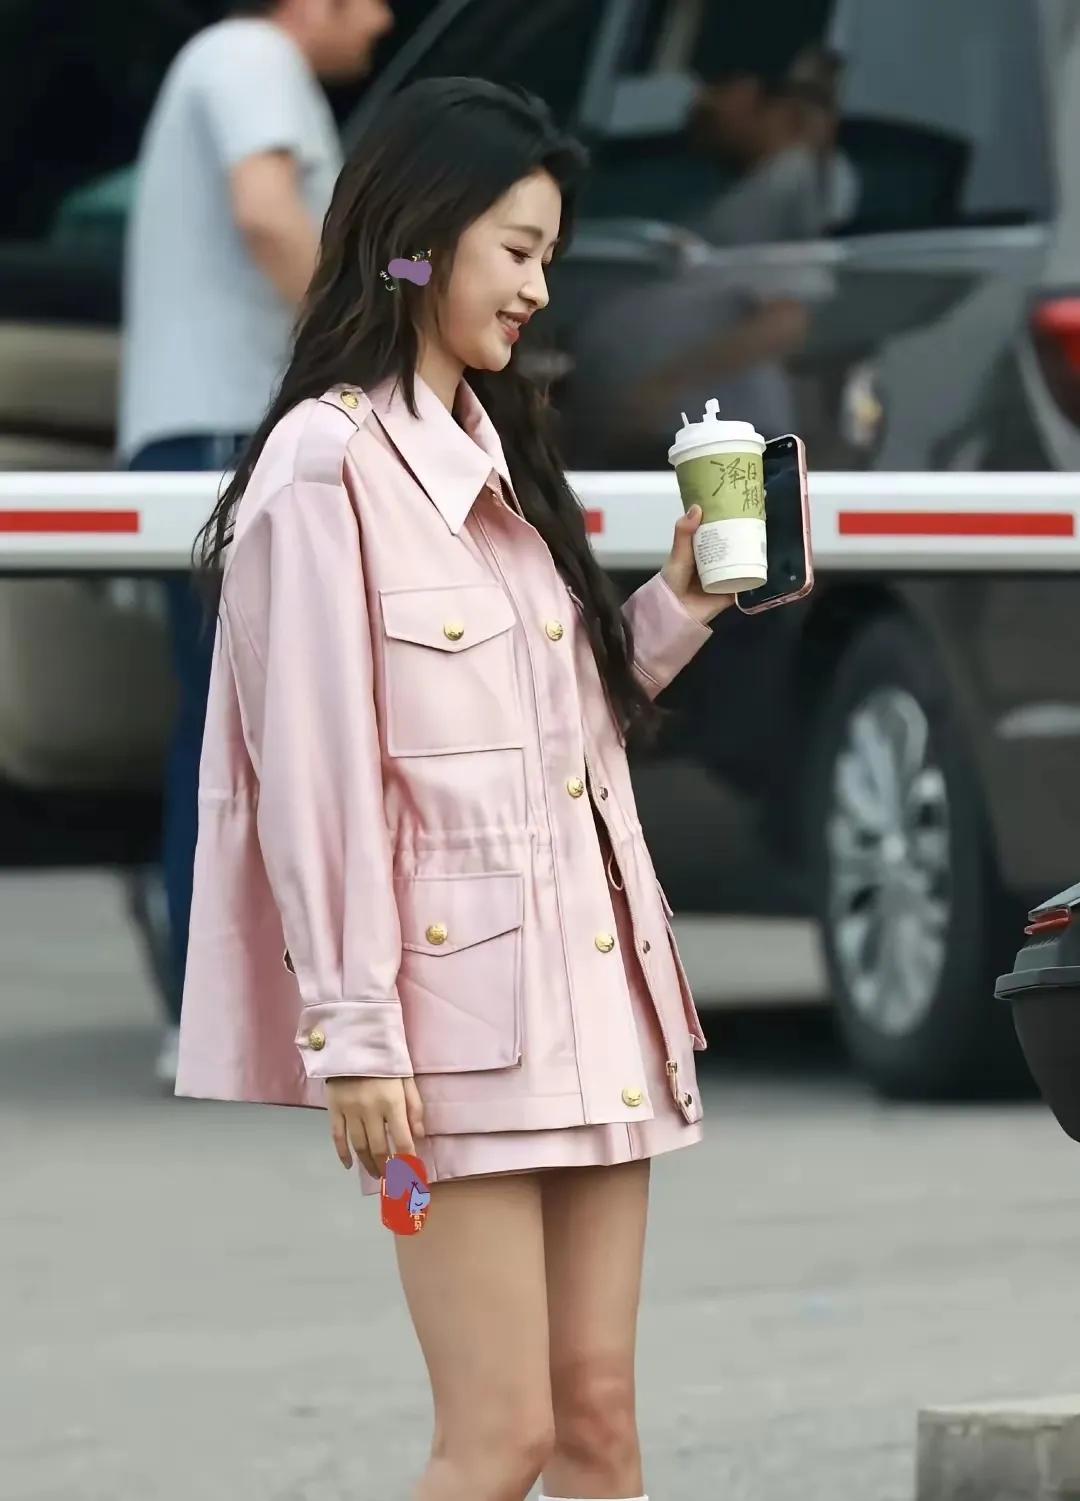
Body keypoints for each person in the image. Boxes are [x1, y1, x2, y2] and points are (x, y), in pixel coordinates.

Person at [176, 75, 734, 1501]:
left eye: (550, 255)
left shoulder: (496, 452)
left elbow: (561, 730)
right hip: (443, 1048)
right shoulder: (325, 470)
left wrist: (679, 601)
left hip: (591, 1001)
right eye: (519, 250)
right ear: (421, 244)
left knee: (599, 1426)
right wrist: (354, 1033)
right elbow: (312, 778)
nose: (540, 288)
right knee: (499, 1438)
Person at [117, 0, 395, 1086]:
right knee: (245, 733)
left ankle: (225, 996)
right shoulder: (250, 57)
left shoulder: (243, 71)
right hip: (226, 436)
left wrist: (415, 282)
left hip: (216, 434)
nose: (383, 19)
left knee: (241, 726)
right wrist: (377, 340)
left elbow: (350, 249)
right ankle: (214, 1003)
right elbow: (270, 217)